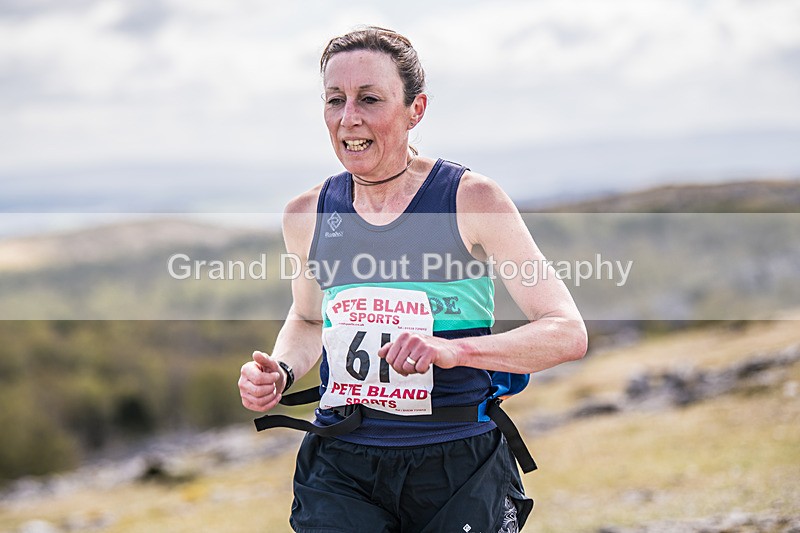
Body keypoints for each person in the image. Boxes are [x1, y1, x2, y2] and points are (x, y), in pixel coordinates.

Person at [238, 26, 587, 533]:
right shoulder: (306, 214)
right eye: (335, 100)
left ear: (415, 109)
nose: (348, 118)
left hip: (456, 462)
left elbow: (566, 331)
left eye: (370, 99)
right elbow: (309, 317)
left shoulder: (471, 199)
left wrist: (456, 351)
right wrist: (283, 371)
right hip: (342, 463)